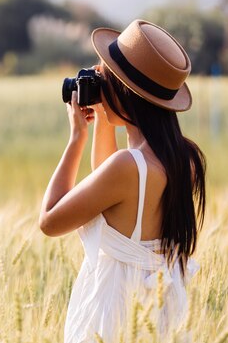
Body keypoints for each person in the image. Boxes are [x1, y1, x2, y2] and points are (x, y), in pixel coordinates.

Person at [38, 19, 206, 342]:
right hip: (157, 312)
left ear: (125, 92)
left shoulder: (128, 167)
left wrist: (76, 139)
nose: (99, 81)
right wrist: (104, 119)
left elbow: (49, 221)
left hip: (113, 312)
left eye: (105, 76)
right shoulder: (184, 160)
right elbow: (114, 197)